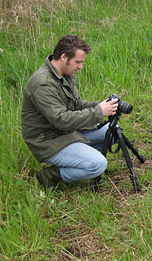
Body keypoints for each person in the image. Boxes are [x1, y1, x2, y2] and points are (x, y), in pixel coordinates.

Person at [21, 34, 120, 190]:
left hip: (66, 132)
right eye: (78, 62)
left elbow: (76, 104)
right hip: (48, 140)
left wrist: (101, 105)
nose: (80, 67)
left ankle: (79, 158)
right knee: (98, 164)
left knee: (114, 132)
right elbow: (61, 119)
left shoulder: (65, 74)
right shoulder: (42, 84)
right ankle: (51, 175)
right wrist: (98, 112)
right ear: (64, 57)